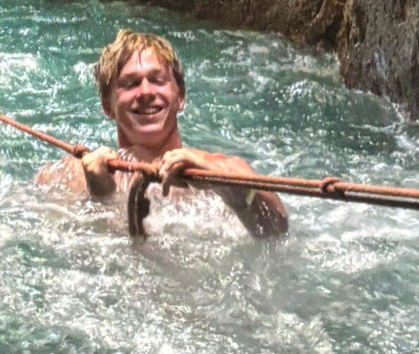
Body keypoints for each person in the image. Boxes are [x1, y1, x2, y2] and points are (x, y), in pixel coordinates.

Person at [36, 29, 287, 238]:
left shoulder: (226, 169)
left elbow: (277, 233)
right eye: (131, 83)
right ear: (107, 105)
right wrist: (102, 198)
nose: (145, 92)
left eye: (157, 80)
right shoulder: (70, 176)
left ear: (180, 97)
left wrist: (231, 191)